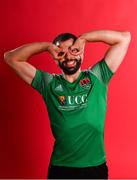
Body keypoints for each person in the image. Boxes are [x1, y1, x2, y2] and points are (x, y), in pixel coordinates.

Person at [4, 30, 131, 179]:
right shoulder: (48, 83)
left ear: (81, 53)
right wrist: (46, 47)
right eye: (62, 53)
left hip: (95, 166)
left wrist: (85, 38)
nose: (69, 56)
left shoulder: (98, 76)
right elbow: (10, 58)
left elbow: (124, 38)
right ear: (55, 59)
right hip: (61, 168)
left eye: (73, 50)